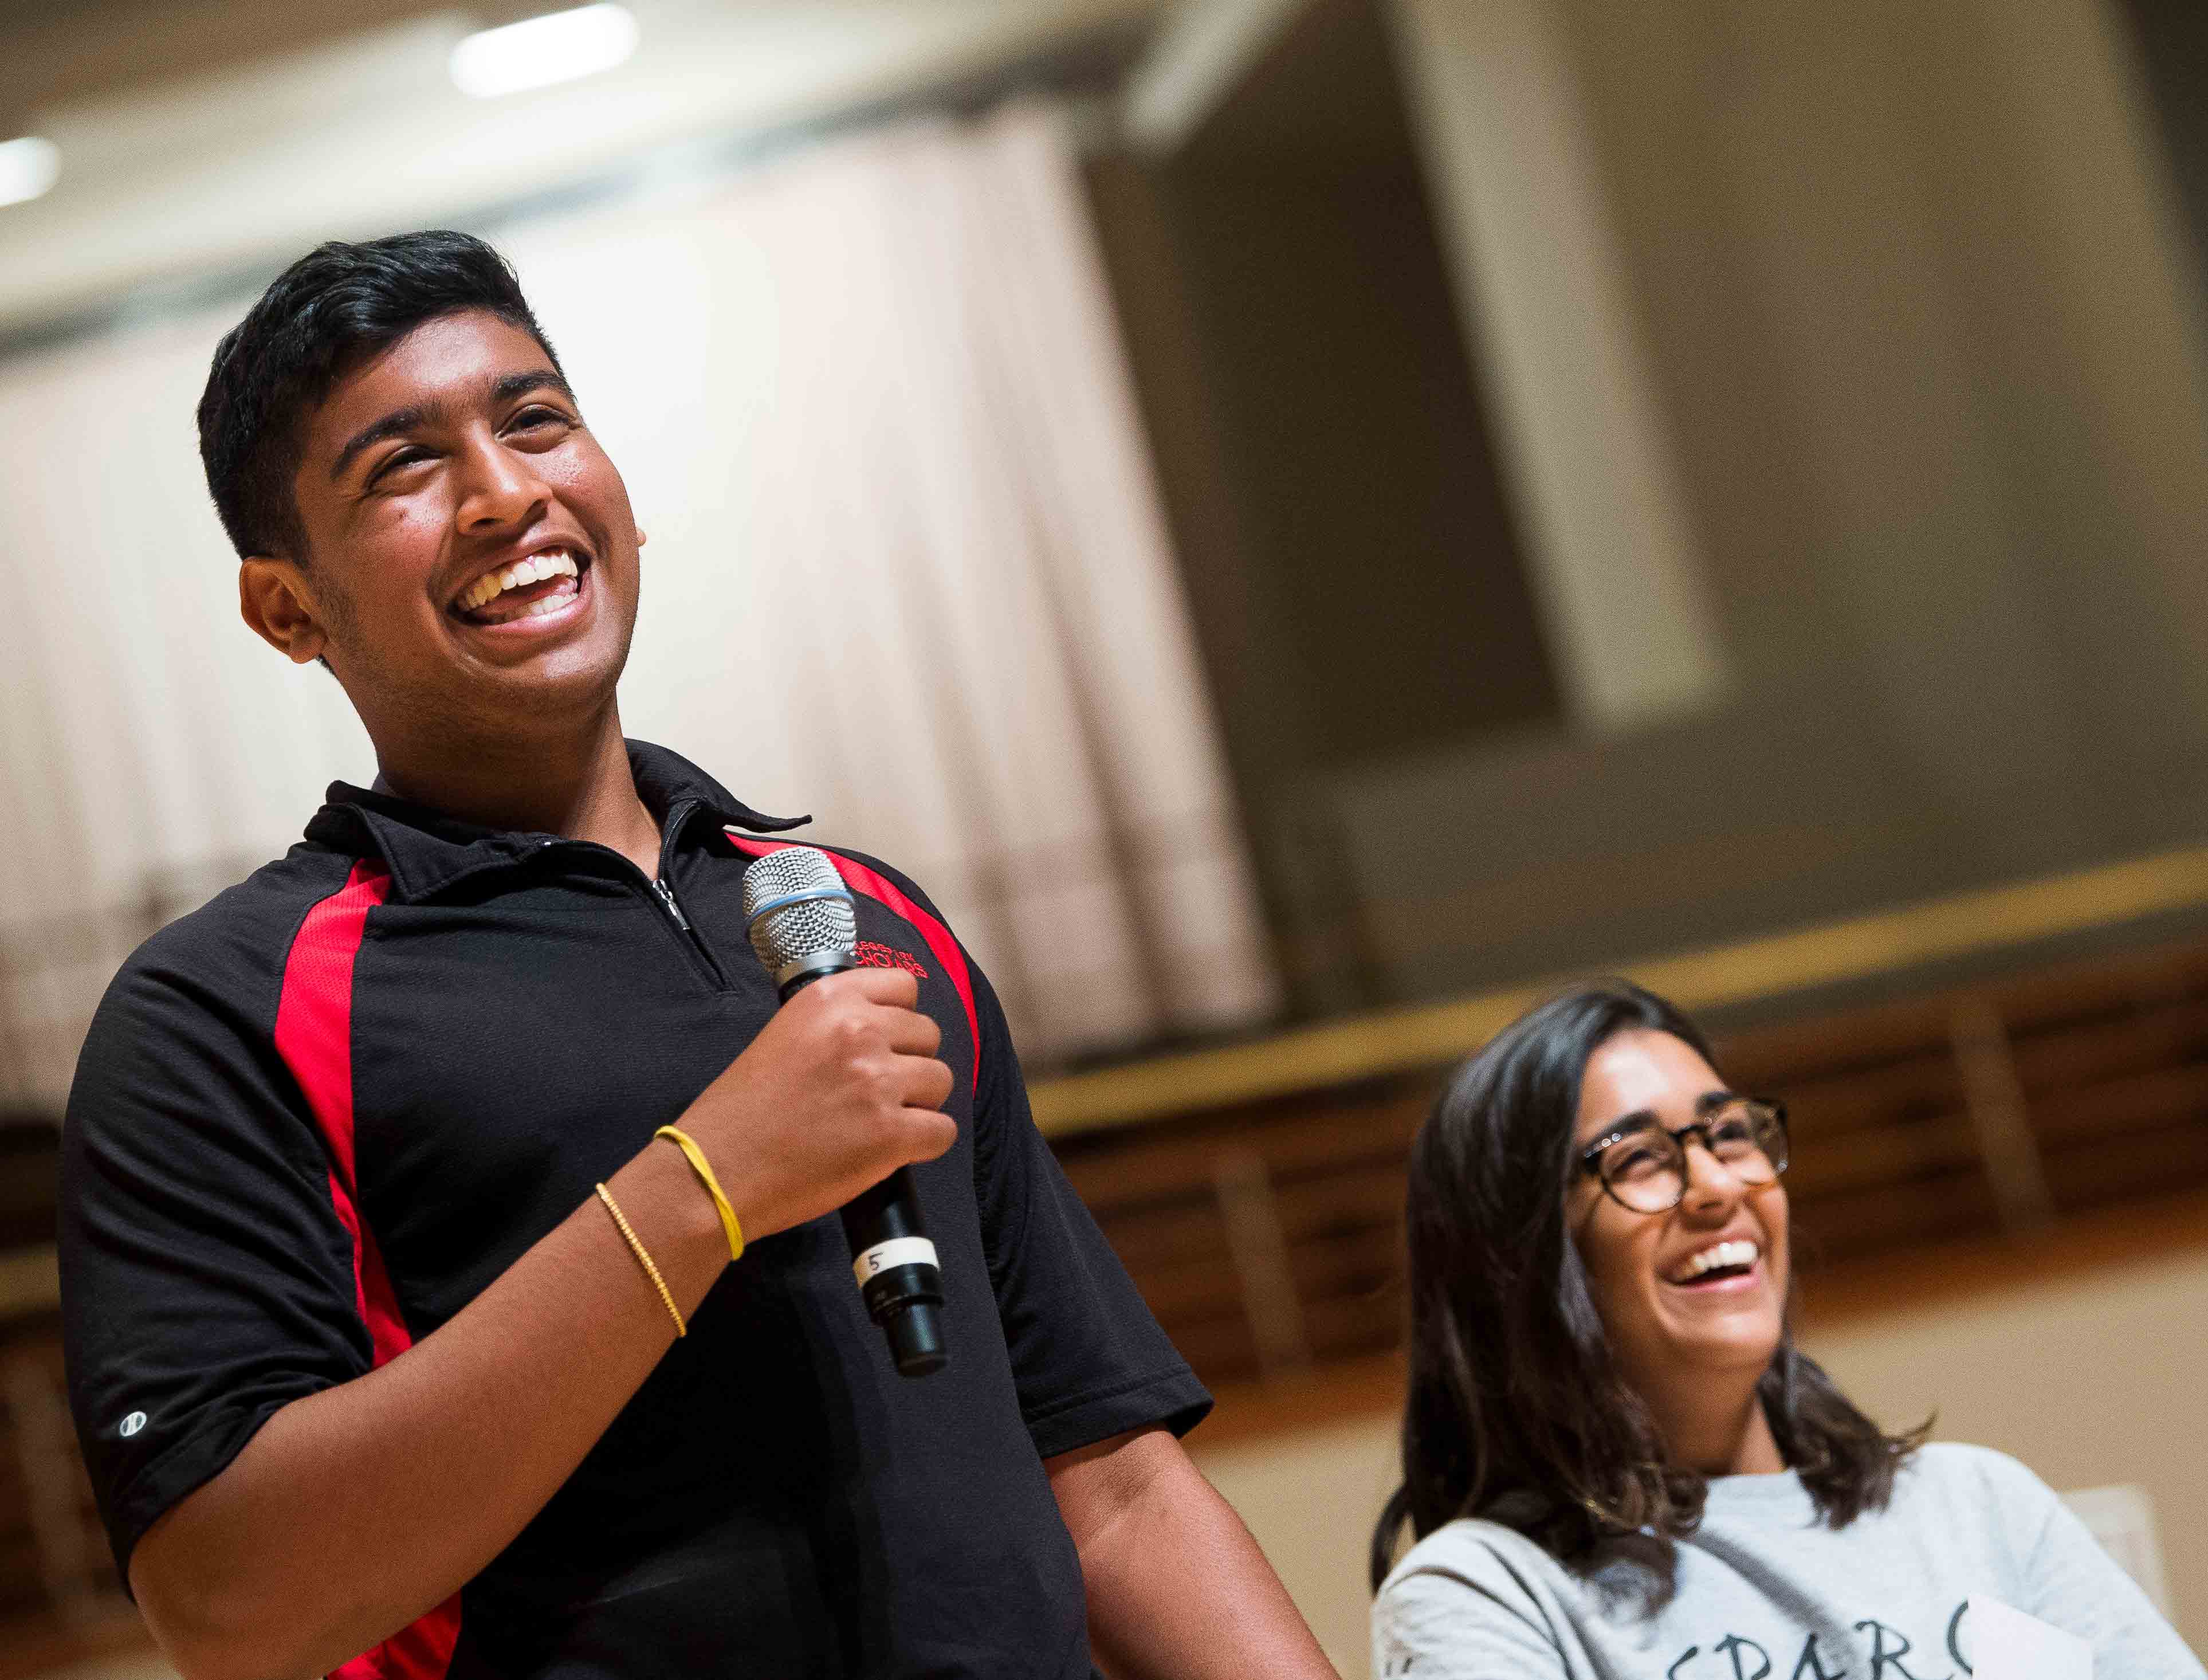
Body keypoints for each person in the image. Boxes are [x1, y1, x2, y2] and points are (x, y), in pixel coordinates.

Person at [58, 230, 1338, 1680]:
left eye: (534, 420)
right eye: (404, 467)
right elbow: (235, 1604)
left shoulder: (858, 914)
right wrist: (707, 1182)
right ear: (288, 607)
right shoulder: (218, 1011)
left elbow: (1110, 1484)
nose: (505, 491)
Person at [1370, 981, 2206, 1679]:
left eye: (1728, 1134)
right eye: (1636, 1158)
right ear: (1521, 1256)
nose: (1714, 1186)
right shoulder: (1486, 1592)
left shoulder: (1976, 1506)